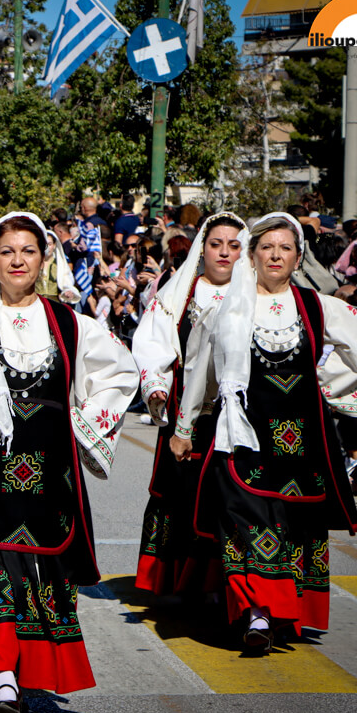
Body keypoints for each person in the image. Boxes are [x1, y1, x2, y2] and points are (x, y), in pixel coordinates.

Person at [0, 212, 137, 713]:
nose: (18, 260)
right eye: (7, 252)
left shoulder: (71, 323)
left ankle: (25, 674)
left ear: (44, 259)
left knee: (41, 574)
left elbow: (121, 372)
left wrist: (84, 425)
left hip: (50, 473)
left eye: (28, 251)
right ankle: (2, 682)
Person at [174, 213, 357, 652]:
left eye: (285, 248)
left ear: (298, 257)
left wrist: (326, 384)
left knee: (293, 526)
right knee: (245, 521)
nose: (275, 255)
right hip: (243, 435)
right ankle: (256, 616)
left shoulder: (316, 305)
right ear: (251, 254)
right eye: (267, 247)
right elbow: (201, 369)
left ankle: (280, 613)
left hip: (303, 442)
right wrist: (184, 425)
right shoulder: (226, 307)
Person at [132, 213, 246, 597]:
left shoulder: (255, 296)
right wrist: (156, 386)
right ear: (202, 248)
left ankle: (225, 584)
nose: (224, 253)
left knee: (229, 498)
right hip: (186, 411)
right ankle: (178, 581)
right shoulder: (179, 293)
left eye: (234, 245)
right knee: (180, 495)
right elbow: (153, 342)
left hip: (238, 416)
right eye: (216, 244)